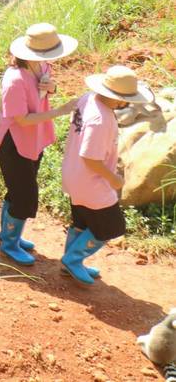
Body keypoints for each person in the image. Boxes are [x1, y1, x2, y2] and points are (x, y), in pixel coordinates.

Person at [0, 23, 78, 265]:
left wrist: (52, 88)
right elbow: (21, 119)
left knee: (18, 190)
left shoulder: (41, 66)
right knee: (25, 196)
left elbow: (46, 89)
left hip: (34, 139)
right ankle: (9, 244)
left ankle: (8, 235)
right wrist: (60, 111)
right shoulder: (14, 80)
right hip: (14, 143)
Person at [60, 65, 152, 285]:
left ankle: (68, 265)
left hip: (73, 174)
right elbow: (90, 158)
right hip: (91, 183)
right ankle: (72, 260)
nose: (126, 103)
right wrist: (114, 179)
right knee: (112, 227)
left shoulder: (88, 98)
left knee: (81, 222)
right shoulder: (101, 120)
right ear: (118, 98)